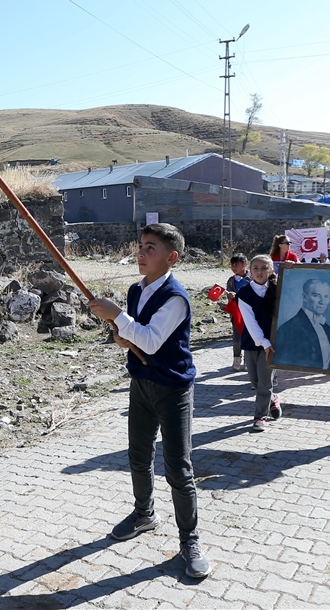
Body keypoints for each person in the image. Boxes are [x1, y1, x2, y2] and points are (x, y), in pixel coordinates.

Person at [88, 223, 211, 580]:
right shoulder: (135, 290)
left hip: (173, 389)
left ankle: (189, 539)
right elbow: (134, 337)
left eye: (151, 248)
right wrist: (121, 335)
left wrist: (117, 317)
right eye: (141, 246)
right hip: (141, 384)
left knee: (178, 468)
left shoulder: (175, 297)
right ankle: (145, 514)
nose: (141, 253)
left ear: (171, 258)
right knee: (139, 456)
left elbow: (153, 342)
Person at [236, 255, 282, 432]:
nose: (259, 272)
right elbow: (250, 321)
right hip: (252, 341)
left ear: (271, 270)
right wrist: (261, 341)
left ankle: (260, 416)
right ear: (250, 270)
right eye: (255, 268)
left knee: (264, 382)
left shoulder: (278, 288)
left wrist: (293, 269)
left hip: (271, 344)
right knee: (254, 380)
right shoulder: (244, 293)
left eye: (264, 268)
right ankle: (272, 399)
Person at [274, 278, 330, 371]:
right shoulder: (289, 329)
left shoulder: (326, 328)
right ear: (304, 297)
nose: (322, 301)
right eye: (316, 295)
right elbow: (283, 364)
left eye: (326, 296)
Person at [225, 254, 250, 371]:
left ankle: (248, 359)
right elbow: (228, 292)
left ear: (245, 264)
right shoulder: (231, 280)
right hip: (237, 313)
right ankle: (236, 358)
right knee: (237, 337)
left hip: (250, 311)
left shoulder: (253, 277)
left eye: (237, 265)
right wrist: (230, 295)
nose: (234, 268)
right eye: (232, 265)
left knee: (250, 335)